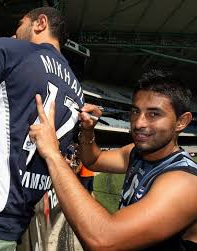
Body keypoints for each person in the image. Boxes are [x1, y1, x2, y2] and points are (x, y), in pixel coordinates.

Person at [29, 70, 197, 251]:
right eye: (135, 111)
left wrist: (52, 153)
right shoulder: (136, 152)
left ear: (182, 121)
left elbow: (104, 240)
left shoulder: (186, 183)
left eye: (154, 114)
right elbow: (95, 160)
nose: (138, 123)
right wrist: (87, 131)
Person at [0, 7, 84, 251]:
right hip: (18, 218)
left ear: (40, 23)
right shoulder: (77, 89)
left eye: (20, 24)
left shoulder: (11, 50)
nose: (16, 31)